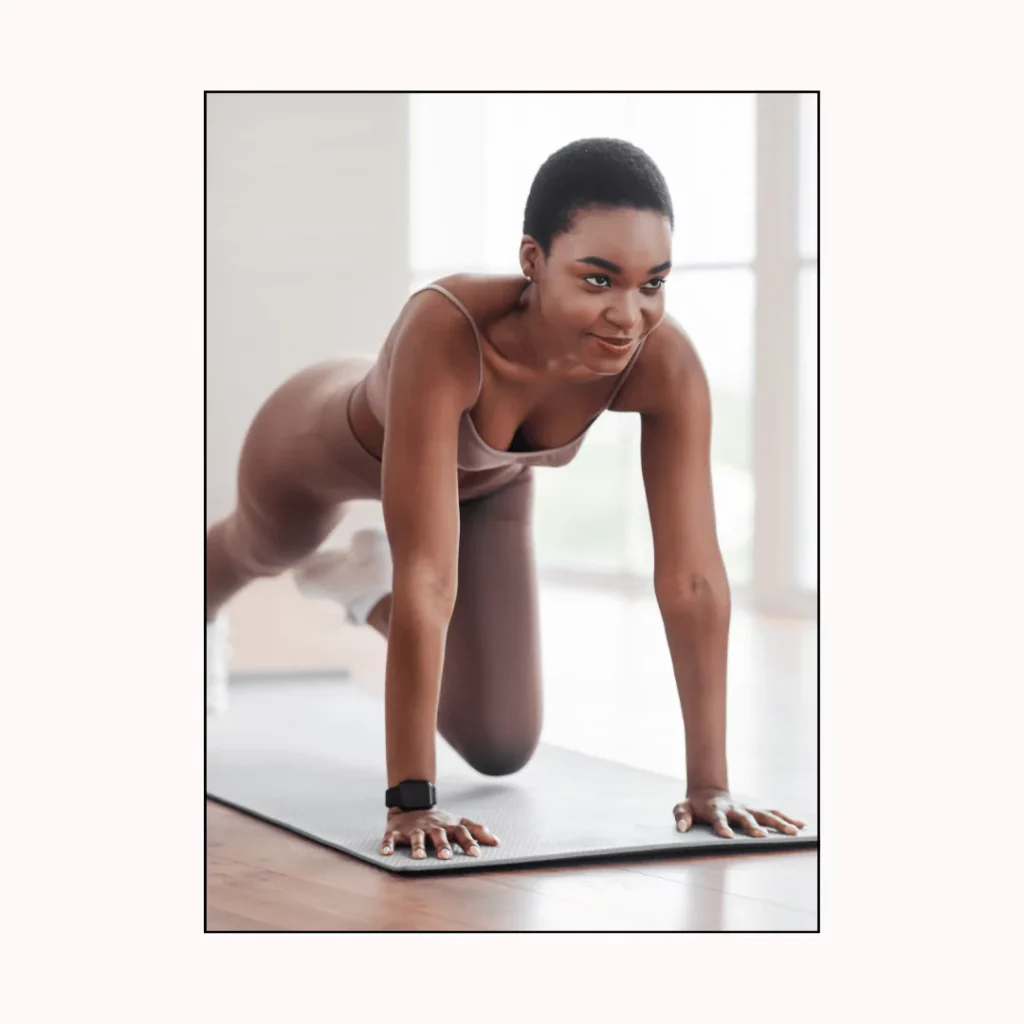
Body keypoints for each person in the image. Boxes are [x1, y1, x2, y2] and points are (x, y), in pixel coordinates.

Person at [205, 138, 807, 861]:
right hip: (313, 446)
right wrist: (411, 803)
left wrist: (710, 785)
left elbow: (694, 578)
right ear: (532, 261)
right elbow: (428, 575)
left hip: (489, 486)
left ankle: (361, 589)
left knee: (499, 746)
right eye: (597, 280)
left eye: (653, 283)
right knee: (261, 548)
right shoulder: (447, 324)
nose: (628, 314)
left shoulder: (662, 361)